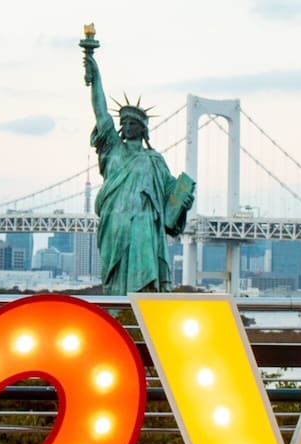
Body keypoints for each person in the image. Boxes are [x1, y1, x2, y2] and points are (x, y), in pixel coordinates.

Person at [82, 37, 195, 295]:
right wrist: (95, 73)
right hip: (115, 222)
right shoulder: (113, 149)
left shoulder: (155, 161)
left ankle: (140, 320)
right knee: (115, 284)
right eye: (125, 123)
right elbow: (100, 111)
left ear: (143, 129)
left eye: (134, 123)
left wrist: (183, 203)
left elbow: (171, 198)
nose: (128, 126)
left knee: (143, 286)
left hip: (144, 226)